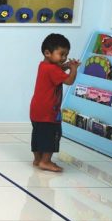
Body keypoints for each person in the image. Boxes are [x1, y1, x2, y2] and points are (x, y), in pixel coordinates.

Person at [30, 33, 80, 172]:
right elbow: (69, 81)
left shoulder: (43, 65)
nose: (64, 58)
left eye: (66, 55)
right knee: (52, 135)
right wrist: (73, 69)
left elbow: (57, 70)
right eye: (61, 54)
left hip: (36, 110)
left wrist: (65, 66)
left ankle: (37, 159)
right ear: (47, 53)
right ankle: (46, 161)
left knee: (38, 134)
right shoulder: (53, 69)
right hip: (49, 111)